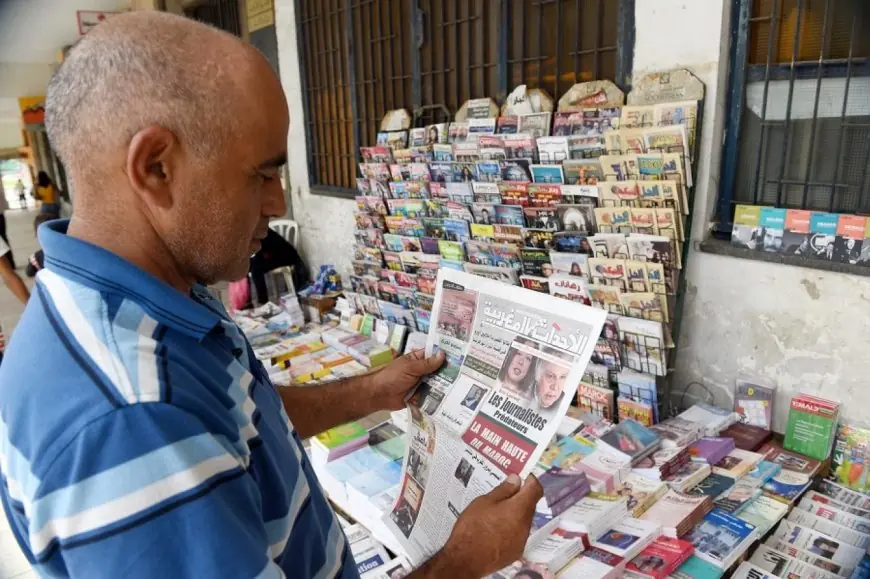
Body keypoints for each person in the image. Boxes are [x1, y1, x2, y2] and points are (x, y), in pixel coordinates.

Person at [0, 12, 542, 579]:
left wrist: (373, 391)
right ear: (155, 168)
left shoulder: (150, 292)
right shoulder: (133, 422)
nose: (279, 202)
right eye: (260, 174)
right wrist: (463, 561)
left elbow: (243, 417)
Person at [0, 177, 14, 269]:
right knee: (4, 238)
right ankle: (10, 264)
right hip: (1, 216)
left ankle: (7, 266)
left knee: (2, 241)